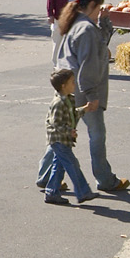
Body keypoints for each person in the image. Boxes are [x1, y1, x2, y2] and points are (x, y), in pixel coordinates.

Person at [54, 0, 130, 193]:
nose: (99, 13)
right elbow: (89, 63)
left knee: (61, 134)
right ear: (90, 6)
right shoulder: (86, 29)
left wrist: (104, 22)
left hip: (68, 87)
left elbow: (97, 47)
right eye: (98, 9)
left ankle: (47, 178)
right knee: (96, 134)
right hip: (82, 90)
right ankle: (105, 179)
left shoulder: (76, 23)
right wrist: (92, 96)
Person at [38, 68, 96, 205]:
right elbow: (55, 122)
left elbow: (72, 114)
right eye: (71, 82)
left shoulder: (68, 100)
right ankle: (83, 192)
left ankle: (51, 193)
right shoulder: (58, 103)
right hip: (58, 140)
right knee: (72, 164)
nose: (74, 84)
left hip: (63, 139)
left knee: (58, 166)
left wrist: (85, 109)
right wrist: (68, 131)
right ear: (63, 86)